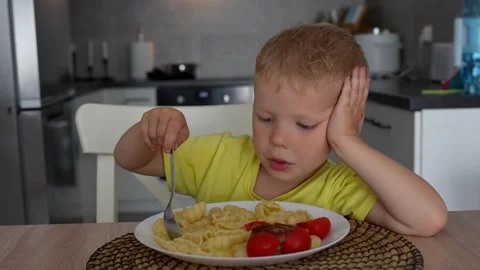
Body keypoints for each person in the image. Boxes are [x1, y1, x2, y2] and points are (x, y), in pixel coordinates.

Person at [114, 23, 447, 237]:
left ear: (345, 124)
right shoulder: (216, 157)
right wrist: (152, 127)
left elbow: (428, 219)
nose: (278, 139)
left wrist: (347, 142)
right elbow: (131, 159)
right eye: (265, 117)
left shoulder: (338, 187)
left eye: (304, 125)